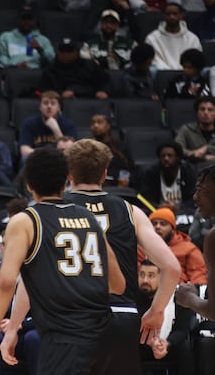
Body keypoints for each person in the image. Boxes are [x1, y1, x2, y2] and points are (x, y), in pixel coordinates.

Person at [0, 147, 125, 374]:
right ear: (65, 182)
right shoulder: (89, 218)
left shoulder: (25, 221)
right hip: (106, 334)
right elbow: (118, 284)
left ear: (29, 185)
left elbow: (6, 283)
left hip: (64, 338)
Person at [63, 139, 181, 375]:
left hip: (70, 318)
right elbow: (172, 268)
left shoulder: (53, 210)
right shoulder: (130, 211)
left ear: (69, 174)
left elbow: (28, 277)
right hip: (121, 317)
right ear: (105, 173)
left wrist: (14, 325)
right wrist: (156, 311)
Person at [137, 260, 196, 374]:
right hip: (142, 346)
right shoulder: (133, 297)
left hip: (170, 346)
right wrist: (151, 342)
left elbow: (182, 328)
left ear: (162, 278)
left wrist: (168, 343)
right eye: (142, 275)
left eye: (151, 276)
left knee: (184, 347)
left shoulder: (179, 296)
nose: (145, 280)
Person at [176, 166, 215, 322]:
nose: (195, 197)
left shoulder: (213, 238)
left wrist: (189, 298)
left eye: (201, 190)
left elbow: (213, 311)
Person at [138, 207, 206, 285]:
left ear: (173, 229)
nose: (158, 227)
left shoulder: (188, 249)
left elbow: (198, 275)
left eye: (163, 224)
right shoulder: (140, 248)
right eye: (154, 224)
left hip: (177, 291)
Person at [40, 37, 110, 99]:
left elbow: (106, 81)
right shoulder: (51, 70)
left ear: (77, 52)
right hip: (63, 104)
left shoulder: (90, 65)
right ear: (58, 52)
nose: (65, 54)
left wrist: (104, 91)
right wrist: (59, 95)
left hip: (91, 99)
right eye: (62, 51)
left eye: (69, 51)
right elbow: (45, 92)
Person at [139, 140, 197, 212]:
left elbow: (193, 198)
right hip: (158, 211)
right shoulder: (151, 172)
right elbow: (146, 199)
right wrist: (158, 207)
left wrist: (179, 208)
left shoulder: (188, 171)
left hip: (183, 211)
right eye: (163, 156)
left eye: (170, 155)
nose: (166, 159)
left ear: (178, 158)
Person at [18, 90, 77, 159]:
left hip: (58, 159)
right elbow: (24, 151)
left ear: (59, 108)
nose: (49, 106)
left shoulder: (68, 124)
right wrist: (47, 155)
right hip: (37, 159)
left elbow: (69, 152)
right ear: (40, 107)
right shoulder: (29, 124)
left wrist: (56, 130)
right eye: (45, 103)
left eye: (53, 103)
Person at [144, 3, 203, 70]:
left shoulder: (192, 38)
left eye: (175, 14)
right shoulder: (152, 37)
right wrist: (167, 71)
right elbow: (152, 59)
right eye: (168, 14)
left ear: (181, 16)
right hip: (160, 73)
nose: (171, 17)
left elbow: (197, 58)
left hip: (186, 73)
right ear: (163, 16)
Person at [175, 96, 215, 164]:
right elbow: (177, 148)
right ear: (197, 113)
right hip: (194, 169)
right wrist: (193, 154)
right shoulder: (186, 129)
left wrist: (207, 148)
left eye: (210, 110)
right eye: (202, 109)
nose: (206, 113)